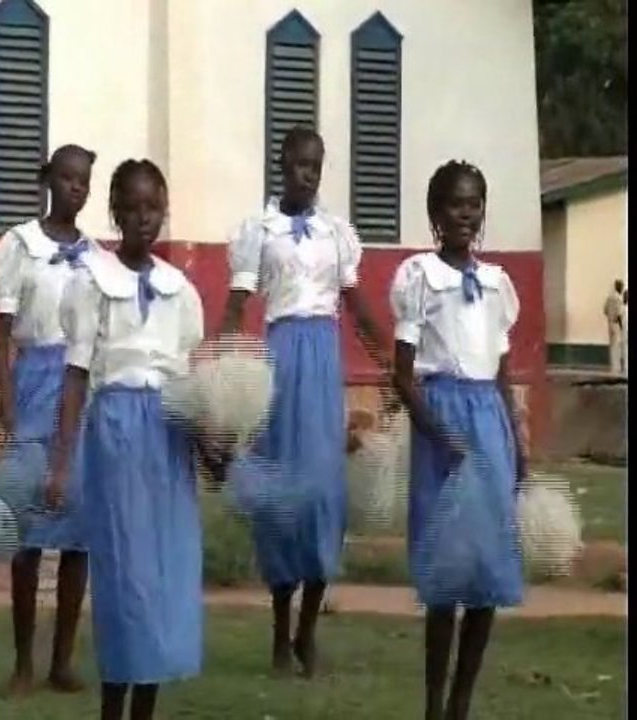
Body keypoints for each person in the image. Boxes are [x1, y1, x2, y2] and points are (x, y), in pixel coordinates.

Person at [219, 125, 390, 678]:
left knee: (323, 495)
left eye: (316, 166)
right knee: (280, 498)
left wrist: (392, 360)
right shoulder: (259, 232)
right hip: (279, 360)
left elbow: (356, 304)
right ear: (282, 165)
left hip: (322, 362)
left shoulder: (337, 234)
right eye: (298, 165)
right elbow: (237, 303)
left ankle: (308, 631)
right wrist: (221, 365)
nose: (307, 175)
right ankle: (277, 630)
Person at [49, 159, 205, 720]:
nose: (144, 218)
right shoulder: (93, 282)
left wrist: (211, 444)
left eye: (153, 207)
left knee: (164, 579)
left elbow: (189, 382)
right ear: (115, 213)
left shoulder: (179, 291)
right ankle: (113, 707)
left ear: (164, 211)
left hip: (168, 439)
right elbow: (76, 375)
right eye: (132, 208)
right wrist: (62, 463)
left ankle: (146, 707)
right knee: (126, 579)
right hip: (117, 436)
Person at [389, 160, 527, 720]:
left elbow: (501, 369)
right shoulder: (419, 277)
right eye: (454, 205)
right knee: (447, 574)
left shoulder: (496, 284)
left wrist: (517, 437)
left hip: (488, 423)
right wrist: (438, 434)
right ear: (434, 215)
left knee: (488, 571)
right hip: (442, 420)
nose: (466, 214)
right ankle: (432, 703)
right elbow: (401, 374)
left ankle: (461, 705)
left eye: (474, 204)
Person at [0, 144, 99, 696]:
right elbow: (1, 338)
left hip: (80, 389)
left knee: (78, 534)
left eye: (85, 181)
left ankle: (61, 662)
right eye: (68, 178)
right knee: (28, 533)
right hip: (33, 385)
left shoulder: (97, 256)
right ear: (48, 180)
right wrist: (6, 401)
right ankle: (23, 663)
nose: (77, 188)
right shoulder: (20, 247)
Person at [603, 279, 624, 374]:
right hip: (616, 323)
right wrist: (622, 326)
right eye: (621, 286)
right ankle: (617, 368)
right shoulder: (618, 298)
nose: (622, 288)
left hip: (610, 323)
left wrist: (610, 317)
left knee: (612, 345)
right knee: (617, 345)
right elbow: (619, 314)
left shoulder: (609, 297)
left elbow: (605, 310)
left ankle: (612, 367)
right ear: (618, 287)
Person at [621, 288, 629, 373]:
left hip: (624, 329)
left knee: (625, 348)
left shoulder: (622, 308)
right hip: (625, 329)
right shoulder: (623, 308)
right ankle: (626, 367)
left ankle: (625, 367)